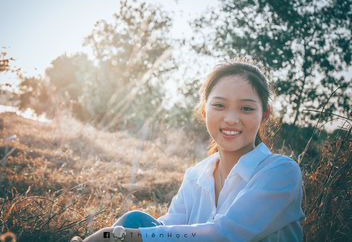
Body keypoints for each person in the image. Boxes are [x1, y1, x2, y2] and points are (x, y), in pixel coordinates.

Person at [77, 61, 305, 242]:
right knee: (135, 219)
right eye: (219, 105)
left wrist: (116, 236)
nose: (231, 119)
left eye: (246, 108)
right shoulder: (196, 175)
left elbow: (225, 234)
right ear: (204, 111)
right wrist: (123, 234)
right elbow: (166, 229)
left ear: (264, 115)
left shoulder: (281, 171)